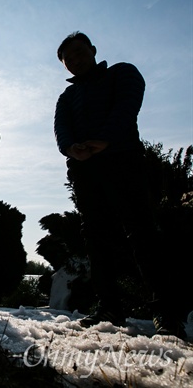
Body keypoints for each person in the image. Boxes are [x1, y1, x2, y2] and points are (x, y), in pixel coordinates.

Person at [54, 31, 185, 338]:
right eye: (67, 59)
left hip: (123, 160)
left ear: (93, 50)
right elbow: (62, 129)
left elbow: (127, 107)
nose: (74, 60)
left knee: (141, 230)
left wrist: (104, 139)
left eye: (78, 52)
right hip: (85, 170)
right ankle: (109, 306)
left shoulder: (122, 73)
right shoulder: (67, 97)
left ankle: (166, 311)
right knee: (95, 236)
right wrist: (71, 148)